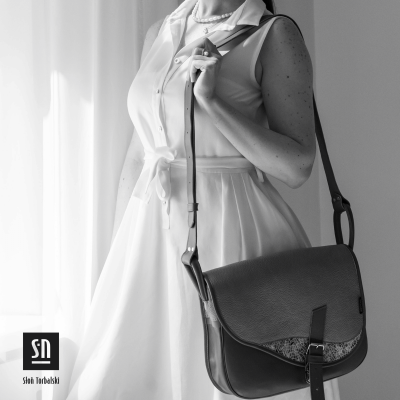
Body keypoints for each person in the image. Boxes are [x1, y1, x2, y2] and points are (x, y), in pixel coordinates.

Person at [66, 0, 341, 399]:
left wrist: (212, 102)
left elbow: (297, 166)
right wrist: (118, 257)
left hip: (230, 235)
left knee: (231, 373)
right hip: (149, 241)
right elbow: (140, 153)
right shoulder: (161, 30)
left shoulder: (273, 34)